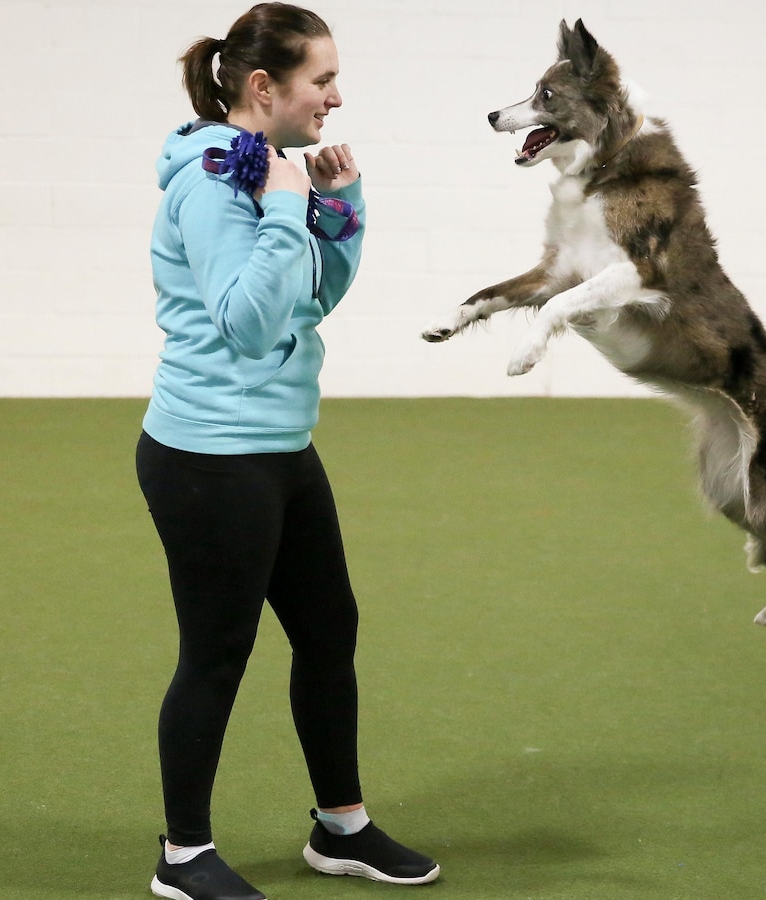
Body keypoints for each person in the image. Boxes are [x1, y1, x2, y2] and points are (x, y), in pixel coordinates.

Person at [135, 4, 440, 900]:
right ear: (264, 88)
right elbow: (245, 321)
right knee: (217, 654)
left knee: (329, 630)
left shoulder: (272, 177)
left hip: (279, 446)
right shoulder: (209, 181)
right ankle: (183, 857)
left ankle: (339, 828)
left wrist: (335, 207)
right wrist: (280, 208)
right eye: (323, 80)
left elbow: (308, 304)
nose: (337, 98)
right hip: (207, 458)